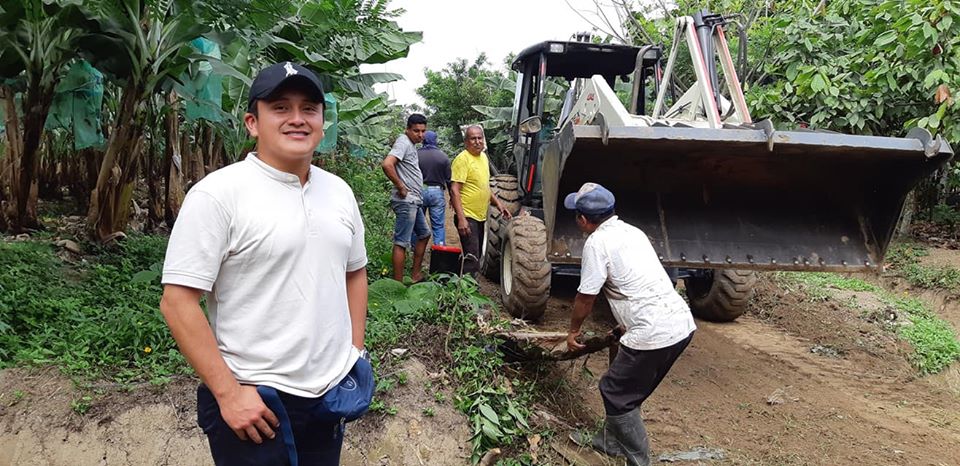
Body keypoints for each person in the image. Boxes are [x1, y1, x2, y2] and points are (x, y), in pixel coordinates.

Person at [159, 62, 370, 465]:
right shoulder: (219, 194)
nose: (297, 119)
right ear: (252, 123)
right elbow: (177, 302)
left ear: (322, 122)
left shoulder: (339, 192)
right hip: (255, 401)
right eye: (280, 107)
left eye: (309, 108)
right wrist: (228, 394)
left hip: (329, 396)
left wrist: (354, 354)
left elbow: (355, 272)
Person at [564, 182, 695, 466]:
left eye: (576, 215)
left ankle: (639, 460)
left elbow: (586, 297)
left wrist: (573, 331)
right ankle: (610, 441)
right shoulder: (633, 232)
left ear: (583, 220)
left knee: (614, 391)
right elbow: (640, 281)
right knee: (627, 391)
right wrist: (624, 325)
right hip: (680, 324)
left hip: (654, 332)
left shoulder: (596, 243)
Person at [450, 125, 512, 274]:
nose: (477, 141)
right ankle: (466, 287)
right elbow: (454, 190)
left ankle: (465, 283)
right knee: (472, 259)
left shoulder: (483, 158)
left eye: (480, 138)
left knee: (475, 256)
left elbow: (484, 187)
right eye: (473, 138)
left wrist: (499, 204)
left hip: (480, 217)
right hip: (468, 216)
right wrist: (462, 219)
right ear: (466, 142)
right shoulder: (463, 159)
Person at [382, 114, 430, 282]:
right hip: (406, 201)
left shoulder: (411, 145)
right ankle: (398, 284)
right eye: (416, 131)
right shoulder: (403, 142)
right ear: (407, 129)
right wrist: (401, 186)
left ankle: (415, 275)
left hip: (414, 200)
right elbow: (387, 164)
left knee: (424, 234)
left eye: (423, 131)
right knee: (402, 242)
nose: (420, 135)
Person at [417, 130, 451, 245]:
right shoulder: (443, 157)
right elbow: (449, 179)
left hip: (419, 191)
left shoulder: (416, 155)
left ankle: (414, 249)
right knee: (438, 225)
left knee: (417, 223)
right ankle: (439, 248)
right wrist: (452, 197)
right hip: (437, 192)